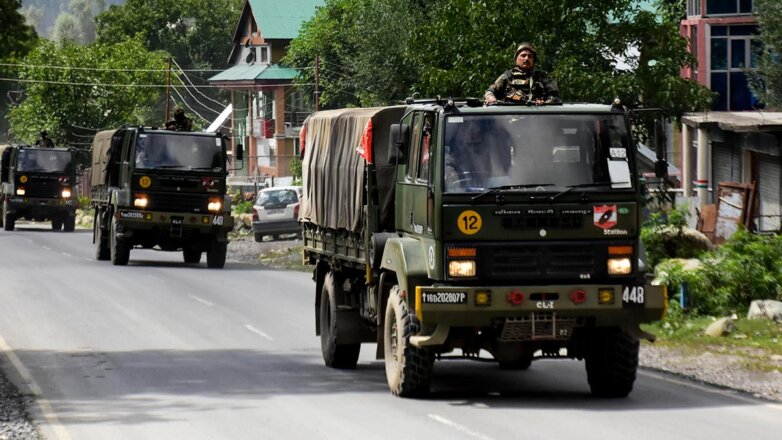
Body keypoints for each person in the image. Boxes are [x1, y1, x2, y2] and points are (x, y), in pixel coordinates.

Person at [484, 42, 560, 106]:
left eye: (530, 56)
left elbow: (555, 97)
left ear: (534, 61)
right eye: (523, 55)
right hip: (511, 118)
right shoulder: (507, 76)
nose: (526, 58)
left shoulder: (542, 76)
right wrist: (491, 99)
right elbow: (490, 91)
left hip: (537, 117)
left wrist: (543, 103)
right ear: (516, 59)